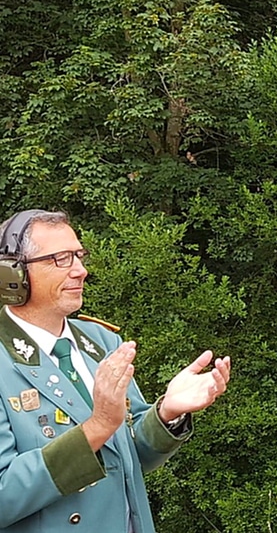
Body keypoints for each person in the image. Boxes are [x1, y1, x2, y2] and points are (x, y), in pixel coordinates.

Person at [0, 209, 231, 532]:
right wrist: (97, 428)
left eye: (79, 256)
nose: (80, 271)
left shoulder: (101, 341)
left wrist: (166, 413)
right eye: (61, 259)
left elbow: (129, 457)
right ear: (13, 273)